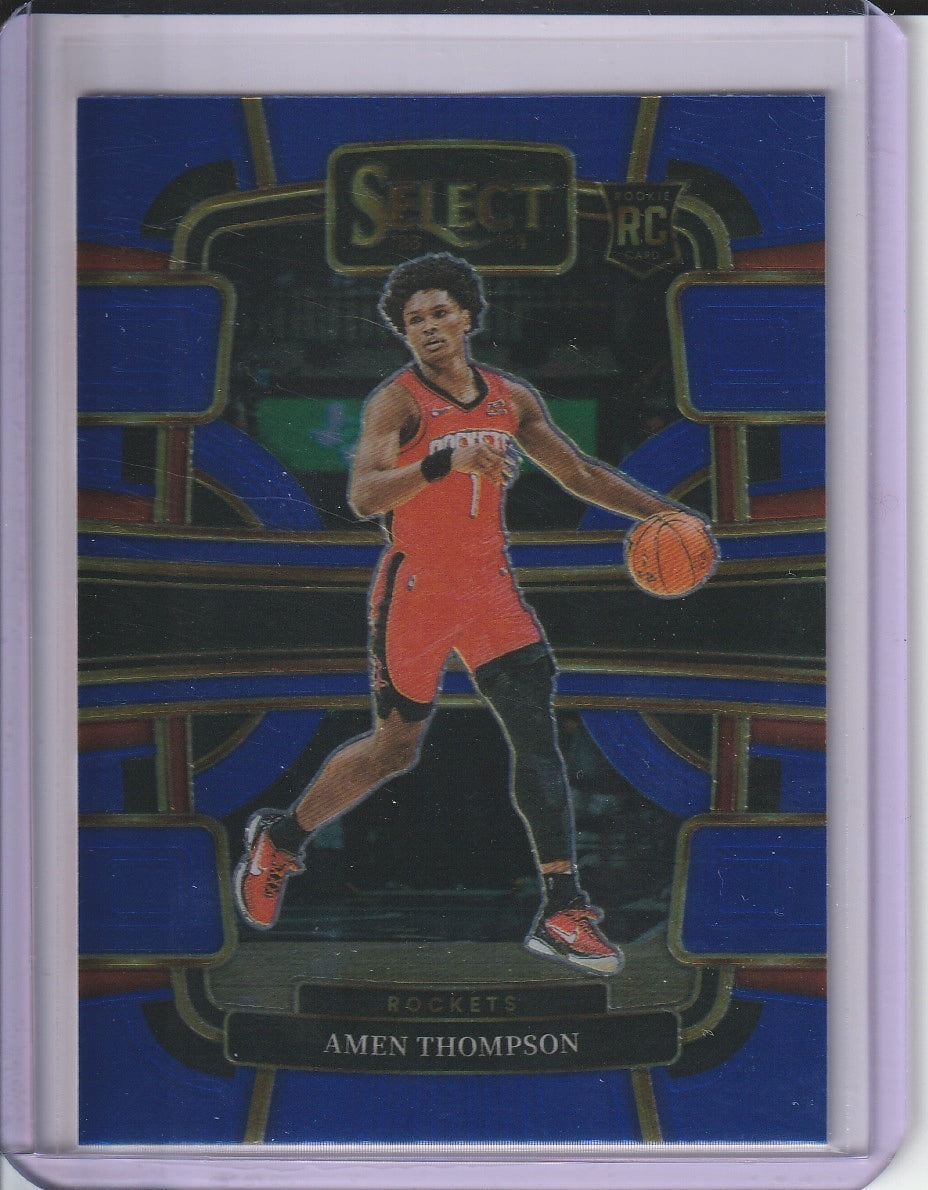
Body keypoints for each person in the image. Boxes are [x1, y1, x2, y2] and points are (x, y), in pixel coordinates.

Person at [234, 252, 702, 976]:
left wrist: (662, 514)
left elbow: (578, 472)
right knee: (395, 751)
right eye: (413, 319)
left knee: (536, 735)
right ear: (403, 333)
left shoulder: (511, 399)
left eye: (439, 313)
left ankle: (563, 909)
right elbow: (362, 497)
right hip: (416, 591)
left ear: (467, 318)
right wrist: (442, 464)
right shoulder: (396, 403)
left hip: (489, 587)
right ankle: (283, 840)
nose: (427, 327)